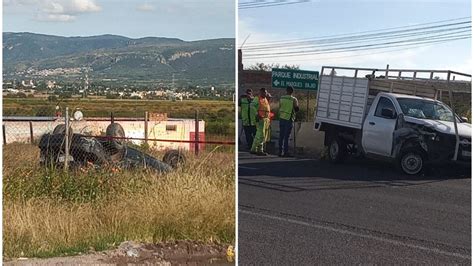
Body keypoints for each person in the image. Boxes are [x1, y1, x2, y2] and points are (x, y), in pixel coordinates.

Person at [278, 86, 299, 157]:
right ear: (292, 92)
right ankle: (285, 152)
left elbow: (280, 107)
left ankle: (280, 151)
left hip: (282, 118)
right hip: (289, 118)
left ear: (286, 91)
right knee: (286, 137)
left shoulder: (282, 98)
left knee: (281, 136)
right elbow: (296, 109)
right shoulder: (293, 99)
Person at [251, 88, 271, 156]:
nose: (266, 94)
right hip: (260, 119)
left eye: (266, 92)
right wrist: (257, 114)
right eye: (264, 92)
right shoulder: (257, 99)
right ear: (261, 92)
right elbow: (252, 106)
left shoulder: (265, 99)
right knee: (261, 135)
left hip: (265, 119)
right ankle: (260, 150)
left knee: (259, 135)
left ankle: (253, 149)